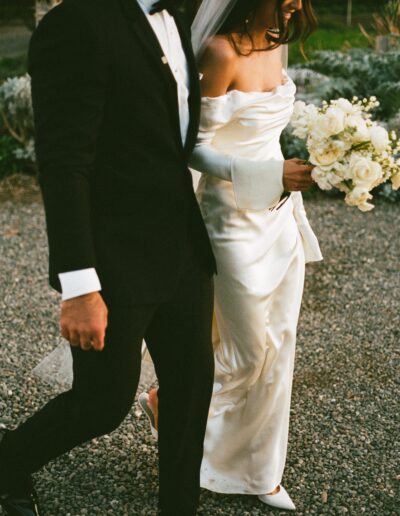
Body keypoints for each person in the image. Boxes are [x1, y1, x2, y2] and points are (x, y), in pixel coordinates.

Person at [0, 0, 217, 515]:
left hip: (181, 244)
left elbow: (168, 136)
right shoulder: (75, 23)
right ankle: (7, 464)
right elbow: (64, 163)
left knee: (191, 390)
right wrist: (79, 286)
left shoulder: (176, 17)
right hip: (113, 256)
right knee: (102, 403)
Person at [140, 0, 322, 511]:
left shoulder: (278, 38)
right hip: (231, 220)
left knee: (279, 347)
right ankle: (168, 402)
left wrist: (323, 156)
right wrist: (269, 174)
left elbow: (265, 133)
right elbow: (190, 147)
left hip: (281, 214)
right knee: (247, 352)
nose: (295, 3)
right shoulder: (220, 52)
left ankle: (260, 472)